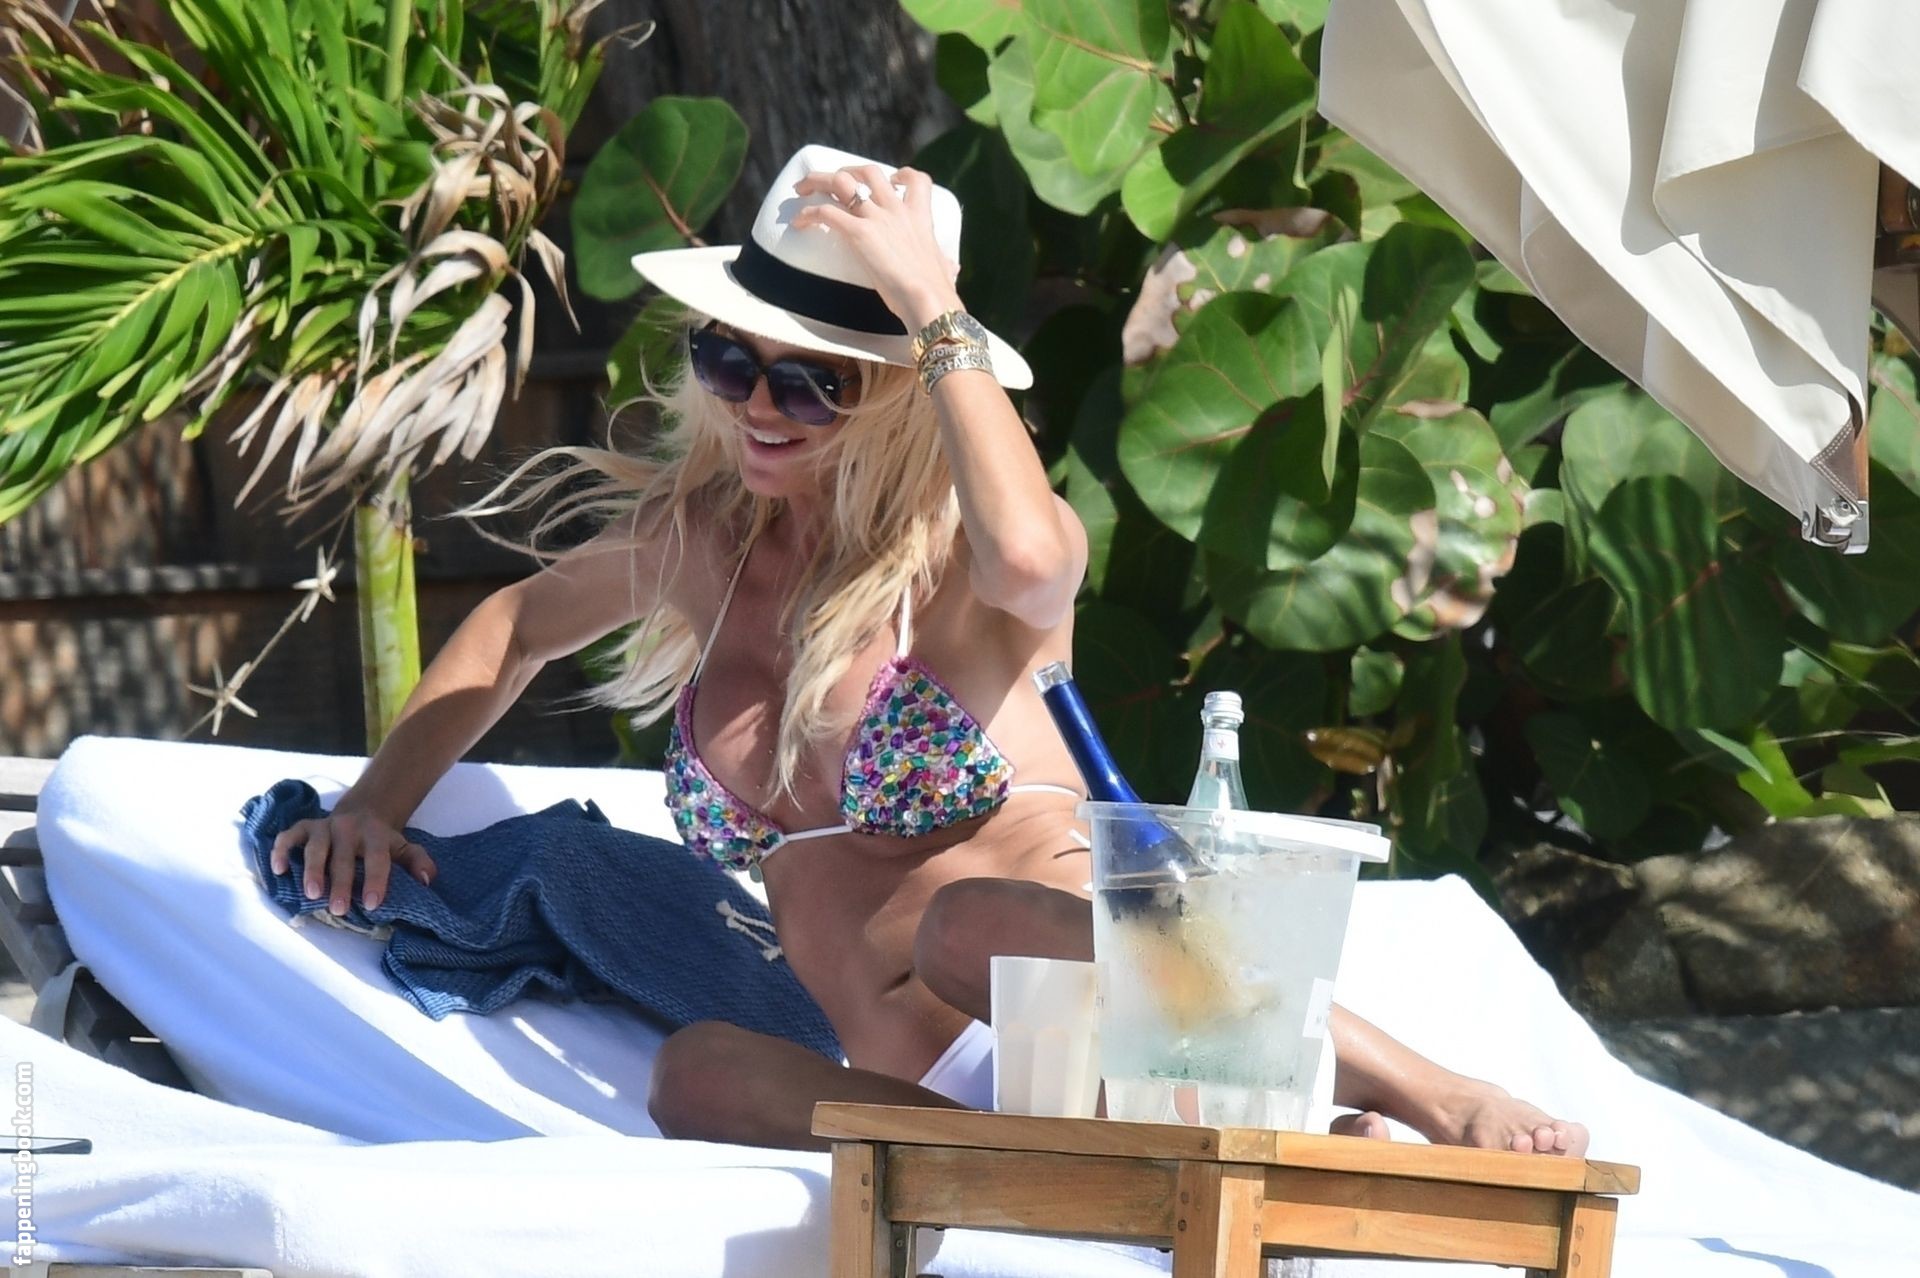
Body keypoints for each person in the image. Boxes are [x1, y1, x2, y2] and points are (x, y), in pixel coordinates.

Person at [268, 144, 1588, 1158]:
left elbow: (1037, 560)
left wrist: (930, 304)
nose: (762, 407)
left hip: (1134, 1020)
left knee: (972, 924)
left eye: (816, 379)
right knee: (697, 1071)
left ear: (908, 382)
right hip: (931, 1098)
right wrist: (377, 802)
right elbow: (513, 627)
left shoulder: (962, 562)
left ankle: (1427, 1095)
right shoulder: (703, 542)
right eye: (732, 361)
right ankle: (1068, 1169)